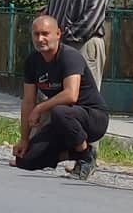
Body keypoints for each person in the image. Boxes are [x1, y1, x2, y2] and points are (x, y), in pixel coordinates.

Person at [12, 14, 107, 179]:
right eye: (36, 34)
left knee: (59, 111)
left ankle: (86, 157)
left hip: (92, 117)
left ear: (58, 34)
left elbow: (71, 95)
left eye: (45, 34)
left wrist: (40, 108)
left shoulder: (70, 57)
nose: (40, 38)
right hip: (63, 121)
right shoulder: (32, 62)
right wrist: (24, 139)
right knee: (25, 161)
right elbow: (28, 102)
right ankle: (74, 153)